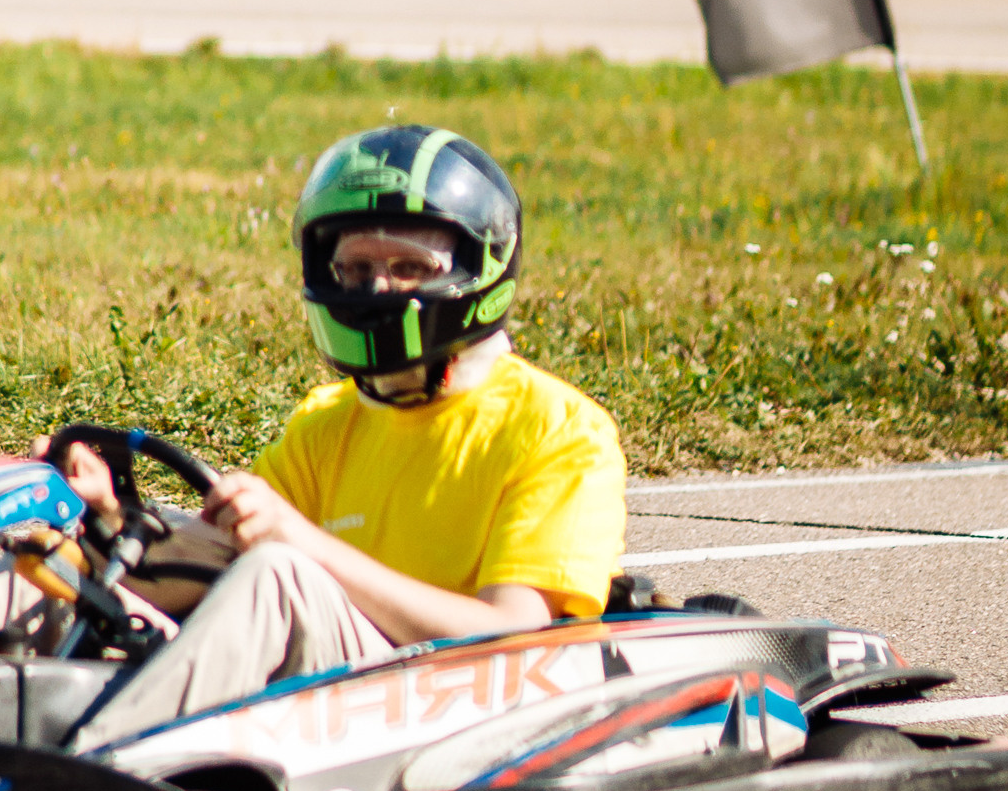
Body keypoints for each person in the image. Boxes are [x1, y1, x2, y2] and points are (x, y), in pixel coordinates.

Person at [68, 123, 626, 745]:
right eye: (356, 268)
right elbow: (222, 557)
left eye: (410, 267)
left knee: (279, 572)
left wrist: (303, 543)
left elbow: (514, 638)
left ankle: (90, 767)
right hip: (340, 699)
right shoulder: (327, 423)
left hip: (461, 708)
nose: (376, 290)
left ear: (479, 267)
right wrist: (105, 520)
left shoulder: (561, 431)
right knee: (58, 558)